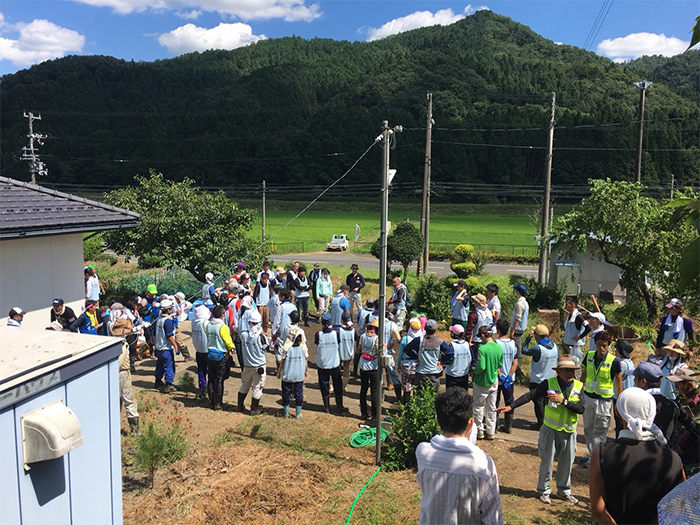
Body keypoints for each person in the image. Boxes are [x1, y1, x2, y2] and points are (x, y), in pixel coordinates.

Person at [589, 387, 685, 524]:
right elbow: (678, 508)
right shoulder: (673, 459)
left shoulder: (602, 454)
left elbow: (598, 510)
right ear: (654, 413)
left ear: (617, 411)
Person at [497, 355, 584, 505]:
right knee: (547, 461)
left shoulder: (579, 386)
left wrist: (562, 401)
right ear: (559, 371)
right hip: (550, 429)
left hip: (569, 431)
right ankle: (544, 491)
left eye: (572, 370)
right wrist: (511, 406)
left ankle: (564, 491)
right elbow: (531, 395)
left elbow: (581, 408)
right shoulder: (549, 383)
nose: (571, 373)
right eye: (567, 370)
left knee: (567, 462)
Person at [416, 387, 502, 525]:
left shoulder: (423, 452)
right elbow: (492, 518)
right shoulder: (483, 463)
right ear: (470, 423)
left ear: (438, 421)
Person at [580, 330, 622, 467]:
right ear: (595, 344)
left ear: (608, 345)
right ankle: (592, 454)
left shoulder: (614, 361)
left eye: (604, 345)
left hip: (604, 400)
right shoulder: (590, 356)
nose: (601, 348)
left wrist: (618, 402)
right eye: (599, 345)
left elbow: (619, 383)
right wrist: (578, 391)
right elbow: (584, 374)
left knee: (601, 430)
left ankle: (597, 459)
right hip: (589, 397)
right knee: (588, 428)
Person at [521, 324, 559, 429]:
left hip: (537, 381)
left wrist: (528, 338)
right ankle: (547, 421)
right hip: (551, 380)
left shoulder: (538, 349)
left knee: (538, 404)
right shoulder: (555, 346)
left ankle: (541, 424)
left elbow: (524, 350)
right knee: (547, 403)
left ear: (537, 336)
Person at [404, 319, 453, 392]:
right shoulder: (440, 341)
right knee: (433, 396)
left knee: (420, 396)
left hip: (421, 373)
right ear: (435, 330)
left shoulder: (419, 340)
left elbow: (407, 349)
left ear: (424, 329)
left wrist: (416, 357)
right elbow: (450, 353)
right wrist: (441, 361)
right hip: (434, 373)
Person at [473, 326, 503, 440]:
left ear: (482, 335)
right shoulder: (499, 347)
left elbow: (481, 366)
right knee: (492, 407)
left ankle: (479, 430)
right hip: (494, 381)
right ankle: (491, 432)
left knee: (478, 406)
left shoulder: (482, 349)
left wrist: (475, 371)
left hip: (481, 382)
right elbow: (500, 364)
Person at [315, 313, 347, 414]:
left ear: (322, 323)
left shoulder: (318, 335)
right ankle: (339, 406)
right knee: (337, 384)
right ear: (331, 322)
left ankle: (326, 407)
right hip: (334, 363)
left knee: (324, 385)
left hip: (323, 364)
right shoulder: (336, 333)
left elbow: (317, 344)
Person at [666, 368, 700, 465]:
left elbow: (693, 428)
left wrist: (681, 448)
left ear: (688, 385)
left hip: (688, 452)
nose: (675, 386)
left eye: (678, 383)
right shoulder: (682, 398)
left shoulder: (694, 403)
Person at [238, 305, 267, 415]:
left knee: (245, 384)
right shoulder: (261, 337)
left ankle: (240, 406)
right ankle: (254, 409)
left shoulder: (243, 335)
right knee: (257, 387)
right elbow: (266, 347)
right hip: (259, 365)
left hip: (247, 364)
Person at [205, 305, 235, 410]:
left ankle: (211, 401)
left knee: (211, 378)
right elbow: (228, 342)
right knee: (220, 379)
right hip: (221, 355)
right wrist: (232, 349)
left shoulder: (208, 325)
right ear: (223, 315)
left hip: (210, 354)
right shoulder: (223, 327)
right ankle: (218, 404)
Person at [277, 322, 308, 419]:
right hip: (299, 375)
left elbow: (282, 362)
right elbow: (306, 361)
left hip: (287, 375)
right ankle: (298, 414)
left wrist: (279, 372)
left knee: (286, 393)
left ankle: (286, 413)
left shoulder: (287, 349)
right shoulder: (303, 349)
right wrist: (305, 371)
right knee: (299, 394)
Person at [495, 318, 519, 433]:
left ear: (497, 329)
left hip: (498, 379)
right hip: (510, 380)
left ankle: (493, 427)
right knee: (509, 402)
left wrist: (501, 375)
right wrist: (509, 375)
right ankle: (508, 426)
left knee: (495, 401)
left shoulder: (496, 344)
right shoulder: (513, 343)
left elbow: (495, 363)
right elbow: (515, 362)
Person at [357, 318, 380, 419]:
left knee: (363, 389)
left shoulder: (362, 337)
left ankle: (364, 412)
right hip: (374, 366)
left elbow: (358, 350)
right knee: (374, 391)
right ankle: (375, 414)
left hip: (363, 365)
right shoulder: (377, 339)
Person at [397, 317, 424, 404]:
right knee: (417, 388)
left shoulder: (405, 339)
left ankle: (406, 406)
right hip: (418, 366)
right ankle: (415, 407)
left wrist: (398, 364)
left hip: (406, 366)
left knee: (407, 388)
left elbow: (400, 353)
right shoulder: (422, 339)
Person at [153, 299, 178, 393]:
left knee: (159, 365)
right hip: (166, 349)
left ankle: (158, 381)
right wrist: (175, 345)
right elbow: (169, 336)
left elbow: (154, 334)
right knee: (169, 366)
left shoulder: (158, 320)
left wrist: (156, 345)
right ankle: (168, 385)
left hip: (158, 348)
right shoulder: (168, 321)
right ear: (168, 309)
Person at [612, 339, 635, 436]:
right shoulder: (629, 362)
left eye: (617, 349)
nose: (615, 351)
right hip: (629, 394)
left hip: (619, 395)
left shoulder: (621, 364)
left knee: (619, 420)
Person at [561, 295, 591, 367]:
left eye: (567, 304)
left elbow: (588, 327)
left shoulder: (578, 317)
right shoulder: (569, 315)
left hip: (574, 345)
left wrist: (580, 337)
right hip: (567, 343)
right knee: (567, 364)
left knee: (575, 365)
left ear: (573, 305)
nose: (565, 307)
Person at [190, 304, 211, 398]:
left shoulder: (193, 322)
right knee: (211, 371)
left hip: (198, 350)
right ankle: (211, 389)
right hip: (207, 350)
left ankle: (202, 388)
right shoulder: (205, 323)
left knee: (201, 370)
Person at [444, 324, 471, 391]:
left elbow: (448, 359)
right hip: (464, 374)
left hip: (452, 375)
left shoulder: (451, 345)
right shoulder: (467, 344)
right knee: (463, 395)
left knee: (451, 396)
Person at [467, 293, 493, 359]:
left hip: (477, 341)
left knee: (475, 361)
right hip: (488, 340)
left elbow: (469, 330)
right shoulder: (489, 313)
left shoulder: (474, 315)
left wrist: (467, 341)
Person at [338, 312, 357, 391]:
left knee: (337, 369)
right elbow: (356, 339)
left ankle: (334, 385)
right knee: (347, 369)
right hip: (349, 354)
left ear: (342, 320)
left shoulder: (339, 331)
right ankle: (344, 386)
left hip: (340, 353)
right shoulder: (353, 331)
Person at [510, 284, 529, 351]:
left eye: (516, 290)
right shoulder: (525, 302)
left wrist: (513, 330)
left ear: (518, 292)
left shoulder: (520, 303)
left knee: (516, 347)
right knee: (517, 345)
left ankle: (517, 360)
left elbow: (517, 318)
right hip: (521, 328)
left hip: (517, 329)